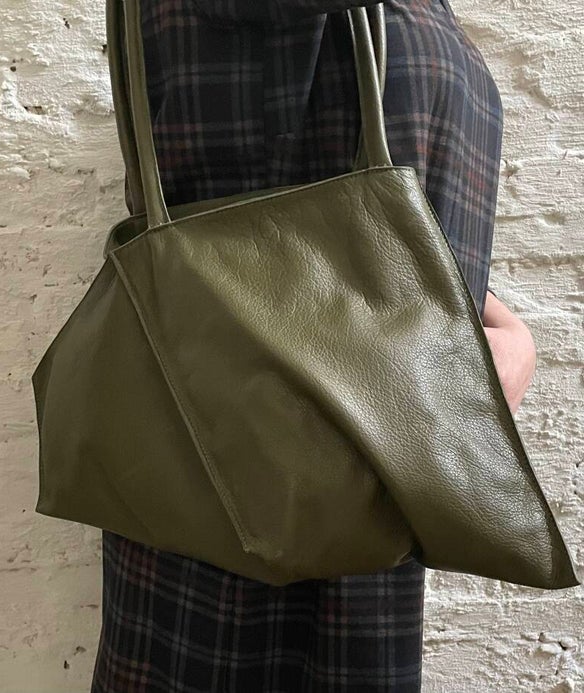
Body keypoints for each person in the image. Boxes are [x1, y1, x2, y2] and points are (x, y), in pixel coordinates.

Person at [91, 1, 536, 690]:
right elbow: (282, 234)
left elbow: (364, 231)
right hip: (248, 492)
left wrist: (493, 331)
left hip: (359, 481)